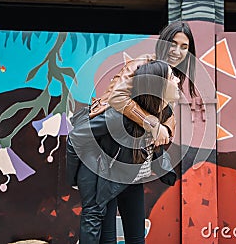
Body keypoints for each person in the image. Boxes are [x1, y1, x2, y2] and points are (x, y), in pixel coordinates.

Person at [66, 60, 180, 244]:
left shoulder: (163, 111)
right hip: (105, 177)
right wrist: (72, 179)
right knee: (107, 239)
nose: (178, 80)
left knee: (137, 238)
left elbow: (151, 144)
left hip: (131, 177)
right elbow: (74, 138)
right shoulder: (117, 116)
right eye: (172, 77)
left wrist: (162, 164)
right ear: (158, 85)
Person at [89, 20, 196, 148]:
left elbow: (167, 110)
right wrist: (153, 125)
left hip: (134, 141)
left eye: (184, 47)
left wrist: (166, 129)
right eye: (172, 44)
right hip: (108, 133)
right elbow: (117, 97)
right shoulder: (141, 65)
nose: (177, 52)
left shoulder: (173, 75)